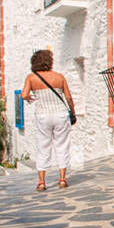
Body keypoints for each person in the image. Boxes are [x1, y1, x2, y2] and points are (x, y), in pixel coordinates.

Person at [21, 49, 76, 190]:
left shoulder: (31, 78)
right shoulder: (59, 77)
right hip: (60, 114)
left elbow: (23, 94)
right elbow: (69, 97)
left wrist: (29, 98)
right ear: (49, 61)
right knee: (62, 145)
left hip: (42, 115)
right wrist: (73, 112)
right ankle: (62, 179)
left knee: (43, 146)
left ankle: (41, 182)